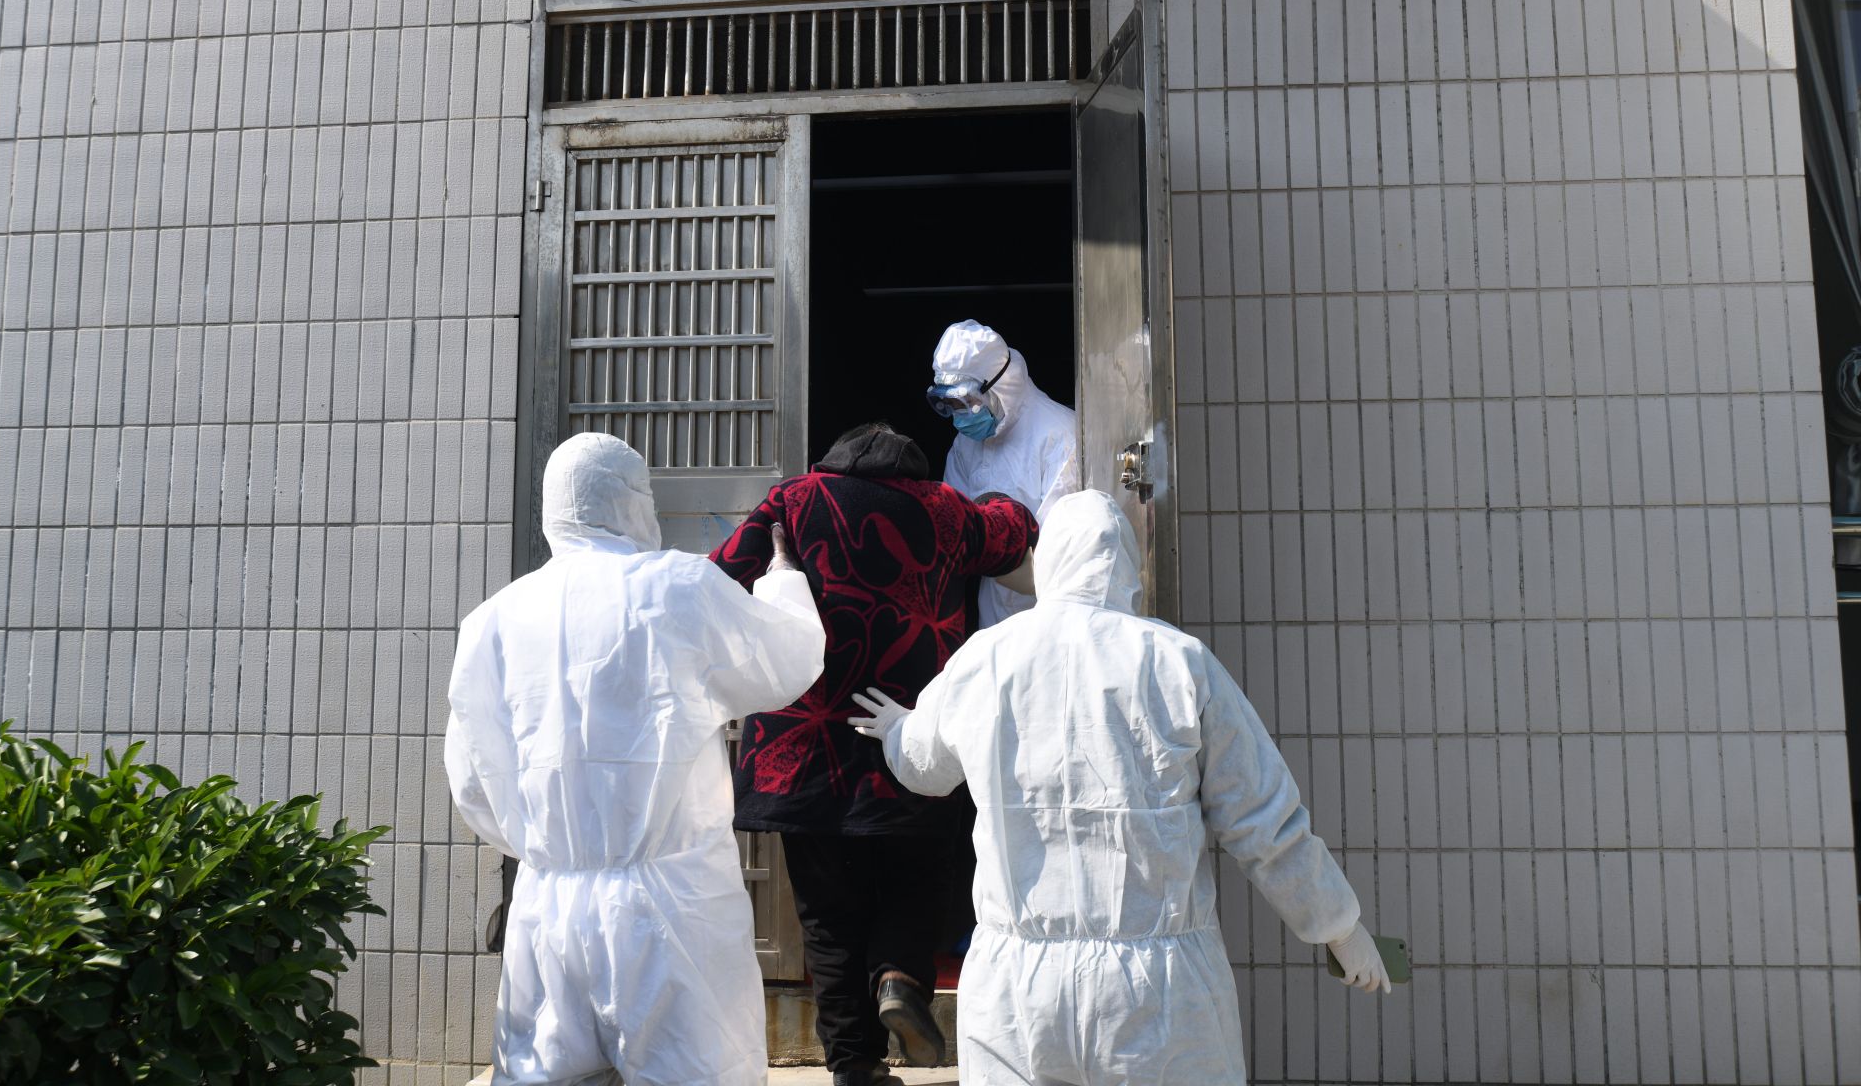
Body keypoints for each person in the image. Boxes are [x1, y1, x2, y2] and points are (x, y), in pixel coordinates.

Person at [849, 490, 1391, 1086]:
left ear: (1048, 561)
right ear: (1126, 567)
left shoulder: (990, 657)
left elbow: (924, 767)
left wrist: (897, 730)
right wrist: (1339, 927)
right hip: (1161, 993)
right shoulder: (1179, 662)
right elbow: (1264, 820)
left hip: (1016, 993)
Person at [445, 433, 827, 1086]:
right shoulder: (678, 586)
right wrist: (784, 582)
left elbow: (472, 780)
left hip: (548, 904)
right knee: (697, 1074)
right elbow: (786, 660)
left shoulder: (493, 621)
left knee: (545, 1075)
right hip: (670, 904)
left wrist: (551, 849)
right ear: (628, 499)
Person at [711, 423, 1038, 1086]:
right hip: (908, 729)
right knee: (919, 874)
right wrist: (1000, 499)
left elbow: (720, 575)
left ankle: (855, 1066)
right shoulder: (946, 509)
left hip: (804, 745)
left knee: (827, 917)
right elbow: (1014, 532)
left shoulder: (795, 499)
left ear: (832, 462)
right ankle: (899, 975)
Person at [926, 320, 1079, 626]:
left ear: (998, 387)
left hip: (1053, 618)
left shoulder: (1060, 434)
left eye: (966, 402)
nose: (959, 416)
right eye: (950, 405)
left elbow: (1060, 550)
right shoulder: (966, 445)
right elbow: (953, 525)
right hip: (994, 620)